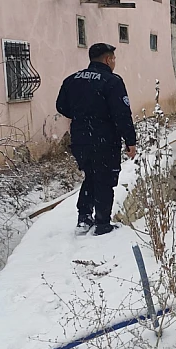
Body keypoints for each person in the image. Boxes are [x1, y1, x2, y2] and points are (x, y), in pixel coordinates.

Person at [56, 43, 137, 236]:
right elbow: (122, 114)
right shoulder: (112, 81)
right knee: (105, 179)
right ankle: (102, 224)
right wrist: (130, 141)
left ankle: (84, 218)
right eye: (113, 59)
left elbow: (61, 107)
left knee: (91, 176)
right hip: (105, 140)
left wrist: (82, 116)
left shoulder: (71, 80)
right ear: (108, 59)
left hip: (80, 140)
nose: (114, 62)